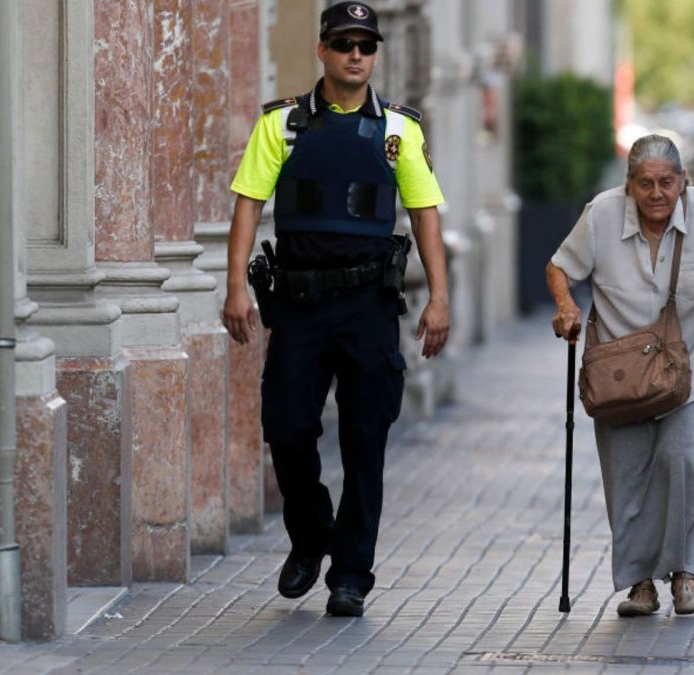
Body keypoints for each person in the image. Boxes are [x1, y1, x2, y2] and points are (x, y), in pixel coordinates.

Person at [220, 1, 449, 618]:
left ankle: (350, 573)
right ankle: (310, 537)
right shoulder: (284, 125)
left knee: (364, 439)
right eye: (344, 42)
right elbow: (247, 203)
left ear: (375, 54)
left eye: (365, 45)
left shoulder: (400, 131)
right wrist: (236, 286)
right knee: (289, 429)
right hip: (297, 304)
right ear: (322, 49)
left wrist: (441, 299)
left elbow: (426, 214)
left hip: (368, 305)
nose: (356, 54)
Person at [547, 135, 694, 617]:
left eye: (666, 182)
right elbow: (559, 267)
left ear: (683, 182)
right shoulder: (601, 214)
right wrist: (566, 306)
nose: (656, 193)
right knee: (627, 475)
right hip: (618, 373)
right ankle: (640, 583)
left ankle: (685, 574)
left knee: (678, 460)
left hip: (683, 369)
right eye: (645, 184)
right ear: (630, 186)